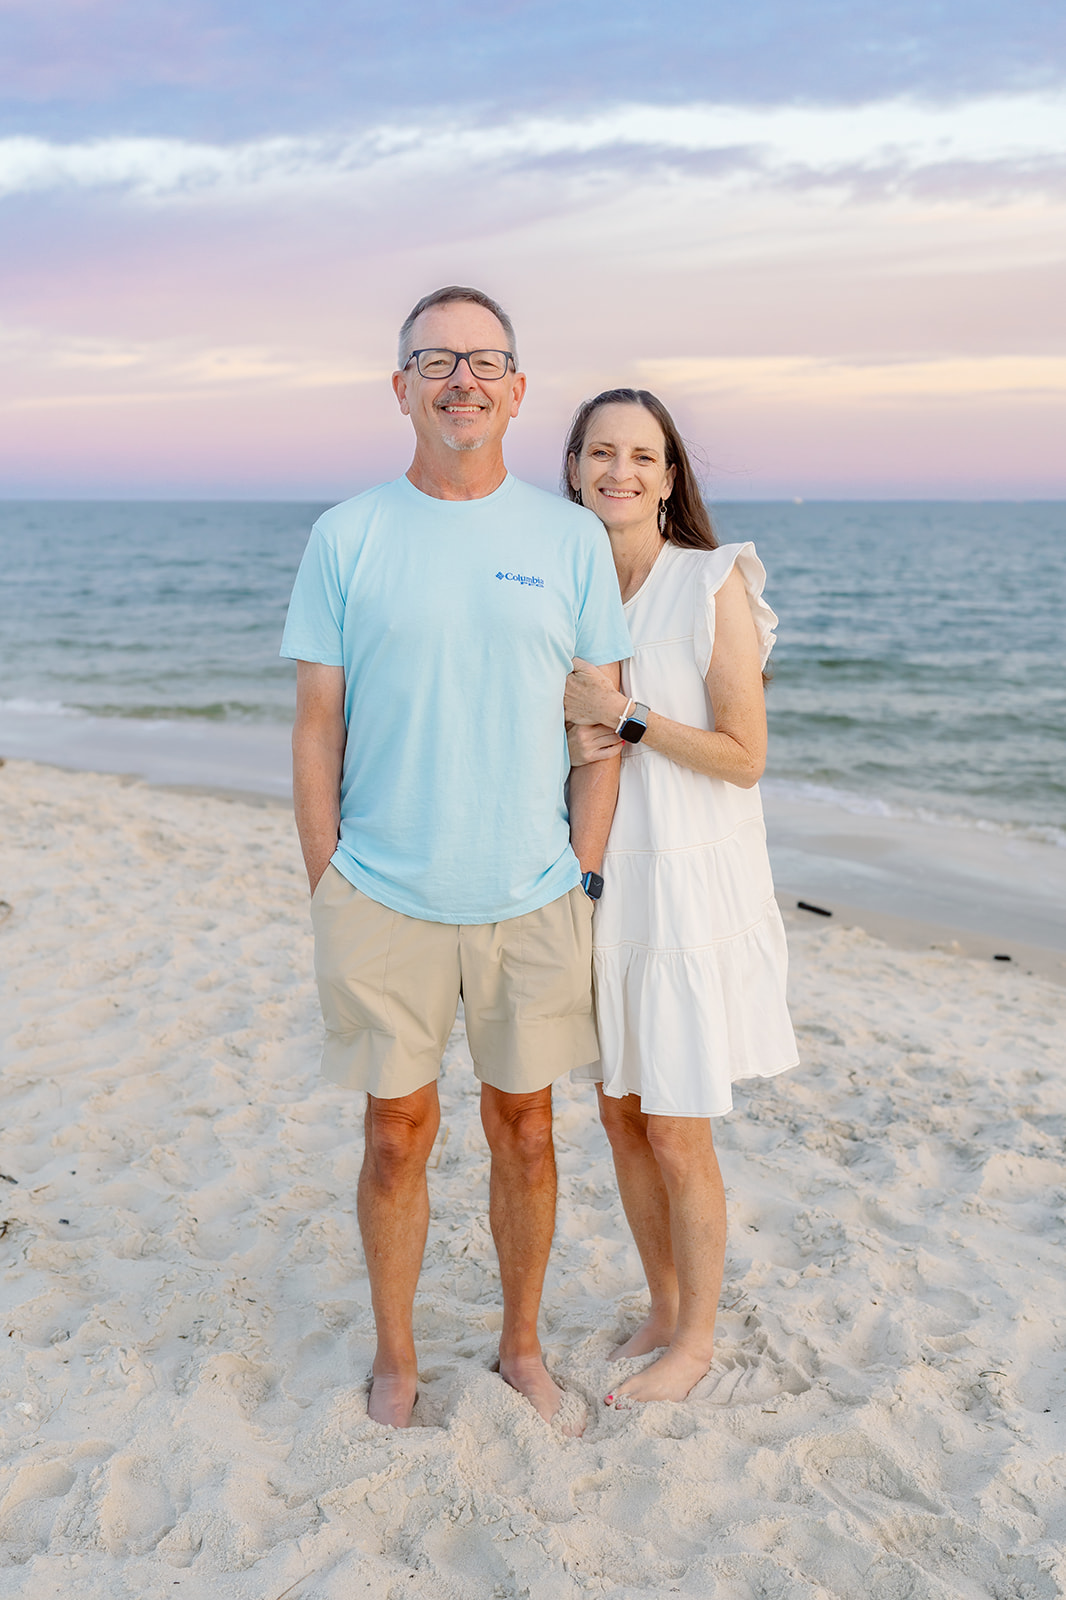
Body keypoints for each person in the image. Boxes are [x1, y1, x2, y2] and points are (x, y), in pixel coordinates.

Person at [280, 288, 630, 1431]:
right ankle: (395, 1355)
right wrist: (326, 871)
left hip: (532, 894)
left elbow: (599, 727)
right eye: (435, 361)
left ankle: (520, 1345)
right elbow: (316, 722)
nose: (461, 380)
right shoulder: (349, 532)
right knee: (394, 1133)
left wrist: (582, 871)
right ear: (400, 389)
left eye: (485, 362)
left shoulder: (569, 536)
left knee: (524, 1127)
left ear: (518, 391)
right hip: (380, 889)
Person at [562, 388, 798, 1405]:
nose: (621, 470)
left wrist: (626, 716)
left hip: (691, 881)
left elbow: (744, 757)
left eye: (642, 456)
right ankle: (661, 1305)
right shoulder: (566, 586)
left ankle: (694, 1342)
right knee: (619, 1111)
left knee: (676, 1124)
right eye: (601, 452)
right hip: (605, 877)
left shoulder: (711, 581)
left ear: (668, 476)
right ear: (573, 467)